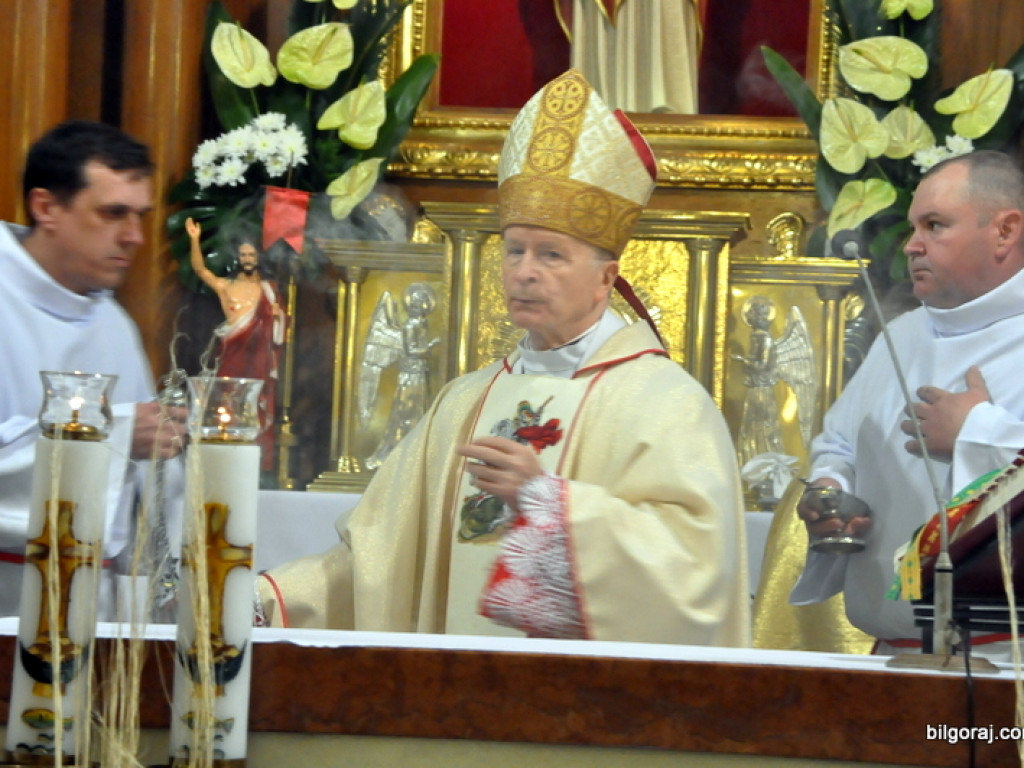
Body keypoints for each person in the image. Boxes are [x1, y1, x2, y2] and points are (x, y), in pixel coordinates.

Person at [257, 69, 749, 646]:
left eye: (551, 254)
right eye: (515, 250)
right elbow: (376, 558)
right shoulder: (463, 401)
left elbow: (697, 572)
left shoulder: (664, 403)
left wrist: (548, 504)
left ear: (605, 279)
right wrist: (268, 602)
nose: (525, 271)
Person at [790, 150, 1024, 653]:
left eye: (935, 226)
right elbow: (840, 444)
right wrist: (832, 493)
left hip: (1006, 662)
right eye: (914, 226)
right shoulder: (900, 333)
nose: (912, 246)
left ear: (1005, 231)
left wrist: (975, 434)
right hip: (892, 655)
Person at [0, 120, 187, 617]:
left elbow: (149, 501)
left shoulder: (112, 323)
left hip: (96, 610)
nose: (134, 237)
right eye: (113, 214)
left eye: (141, 216)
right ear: (46, 208)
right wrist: (117, 434)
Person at [186, 218, 285, 472]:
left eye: (252, 254)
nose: (248, 259)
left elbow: (281, 322)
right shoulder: (226, 286)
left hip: (258, 359)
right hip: (232, 353)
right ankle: (223, 452)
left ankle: (257, 460)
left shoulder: (268, 290)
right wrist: (195, 239)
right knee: (227, 399)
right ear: (238, 258)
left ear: (258, 257)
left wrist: (276, 315)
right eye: (243, 254)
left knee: (254, 403)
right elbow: (200, 270)